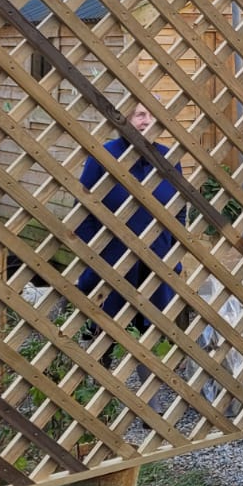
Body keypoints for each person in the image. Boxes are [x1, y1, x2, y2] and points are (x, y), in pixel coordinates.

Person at [74, 100, 184, 327]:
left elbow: (179, 209)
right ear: (123, 119)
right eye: (140, 115)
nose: (147, 122)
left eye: (151, 116)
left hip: (158, 263)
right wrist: (96, 256)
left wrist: (174, 255)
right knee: (107, 334)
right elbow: (81, 211)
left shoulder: (168, 158)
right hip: (114, 263)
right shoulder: (103, 157)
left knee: (155, 334)